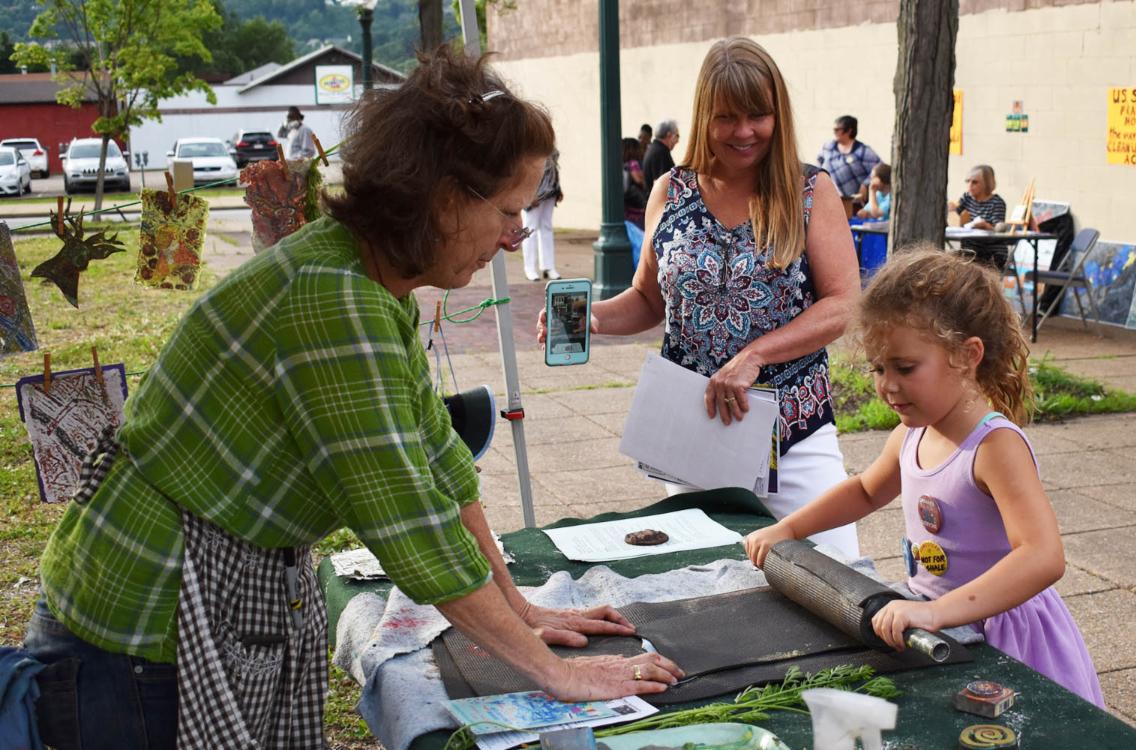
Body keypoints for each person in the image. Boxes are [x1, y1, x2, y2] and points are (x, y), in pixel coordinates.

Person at [23, 47, 682, 749]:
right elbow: (409, 523)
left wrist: (519, 609)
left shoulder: (371, 282)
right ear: (446, 199)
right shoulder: (335, 299)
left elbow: (439, 461)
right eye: (509, 212)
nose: (514, 238)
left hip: (194, 600)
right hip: (141, 626)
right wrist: (560, 676)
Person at [745, 248, 1104, 709]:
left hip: (1004, 633)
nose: (887, 385)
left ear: (967, 356)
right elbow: (865, 490)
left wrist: (937, 611)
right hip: (940, 622)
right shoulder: (912, 434)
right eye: (878, 368)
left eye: (905, 367)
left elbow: (1043, 556)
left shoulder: (993, 447)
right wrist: (788, 529)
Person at [546, 37, 861, 557]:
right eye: (727, 117)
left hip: (794, 431)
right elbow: (649, 299)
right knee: (708, 578)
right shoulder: (670, 190)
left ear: (778, 113)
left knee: (836, 572)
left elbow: (843, 303)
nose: (744, 131)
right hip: (695, 429)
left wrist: (755, 355)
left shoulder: (809, 190)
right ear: (703, 116)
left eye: (758, 115)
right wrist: (591, 318)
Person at [949, 164, 1008, 269]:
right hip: (970, 251)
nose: (970, 185)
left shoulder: (996, 203)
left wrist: (987, 226)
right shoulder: (967, 198)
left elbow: (999, 229)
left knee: (961, 265)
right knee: (948, 261)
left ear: (986, 183)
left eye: (975, 182)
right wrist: (951, 210)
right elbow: (954, 216)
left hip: (991, 252)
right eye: (968, 181)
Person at [816, 114, 881, 205]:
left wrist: (866, 184)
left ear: (849, 131)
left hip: (857, 202)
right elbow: (818, 166)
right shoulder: (828, 147)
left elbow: (879, 169)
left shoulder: (862, 151)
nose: (834, 132)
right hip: (833, 199)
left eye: (837, 130)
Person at [521, 149, 563, 281]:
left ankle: (548, 266)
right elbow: (524, 170)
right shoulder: (530, 145)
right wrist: (530, 193)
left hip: (550, 190)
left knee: (547, 227)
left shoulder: (550, 145)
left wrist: (558, 188)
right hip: (534, 191)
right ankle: (529, 268)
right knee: (529, 230)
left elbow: (553, 166)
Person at [641, 119, 680, 187]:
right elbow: (661, 183)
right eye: (677, 136)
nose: (677, 141)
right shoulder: (661, 152)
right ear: (669, 135)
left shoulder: (655, 148)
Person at [622, 136, 648, 229]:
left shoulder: (623, 163)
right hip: (637, 205)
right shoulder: (633, 163)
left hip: (627, 205)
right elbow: (638, 180)